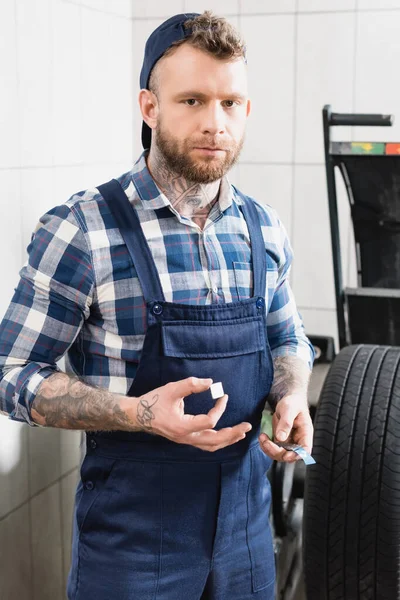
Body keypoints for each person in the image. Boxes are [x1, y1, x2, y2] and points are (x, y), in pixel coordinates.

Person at [0, 11, 314, 600]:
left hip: (248, 536)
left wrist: (290, 395)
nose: (214, 123)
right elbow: (10, 375)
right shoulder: (83, 230)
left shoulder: (262, 229)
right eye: (192, 100)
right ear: (149, 107)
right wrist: (141, 414)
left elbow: (289, 341)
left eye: (230, 103)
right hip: (133, 543)